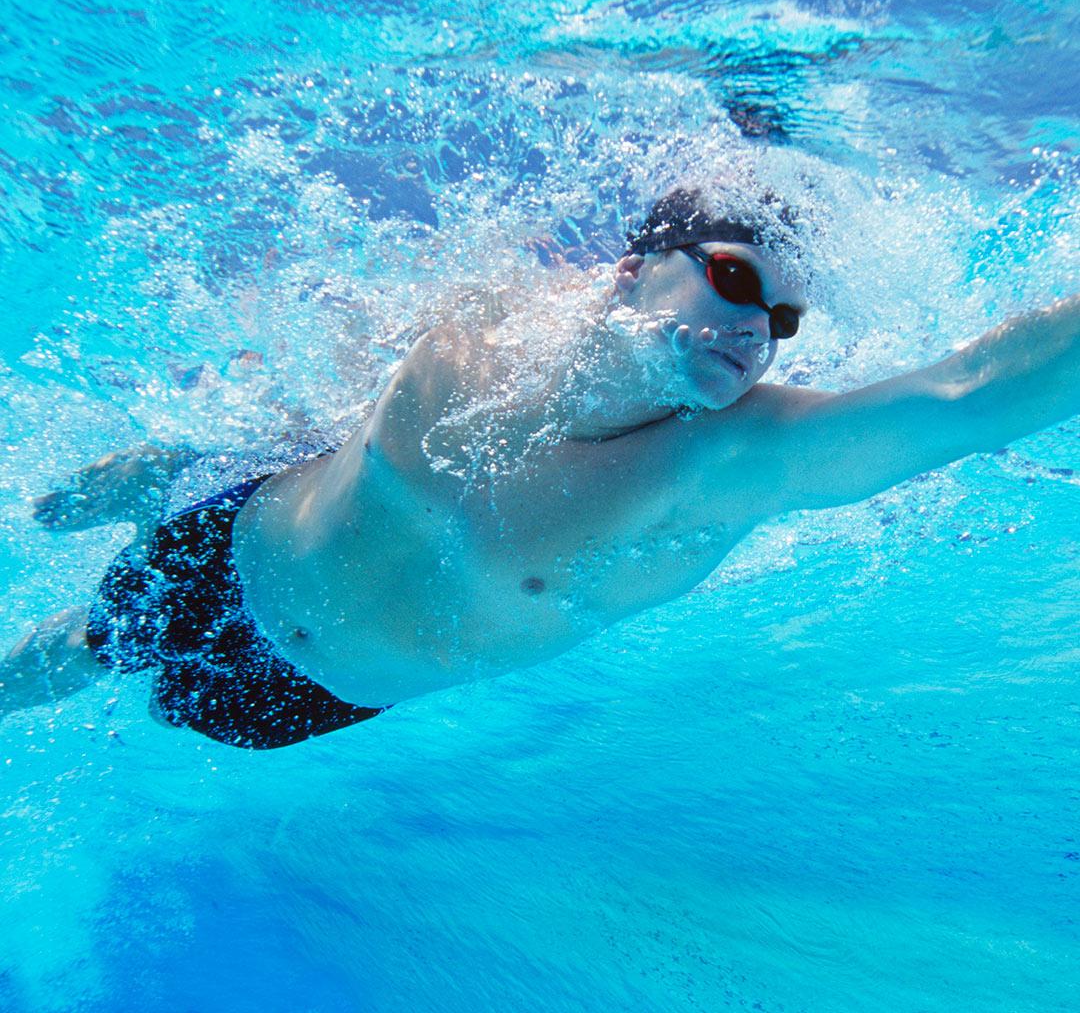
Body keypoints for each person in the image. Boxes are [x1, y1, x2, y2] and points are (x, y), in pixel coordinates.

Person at [4, 188, 1078, 749]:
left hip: (304, 704)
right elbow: (336, 400)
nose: (758, 330)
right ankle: (168, 474)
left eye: (783, 318)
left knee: (155, 714)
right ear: (634, 270)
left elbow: (965, 399)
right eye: (737, 279)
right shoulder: (482, 322)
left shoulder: (733, 459)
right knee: (87, 645)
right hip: (228, 561)